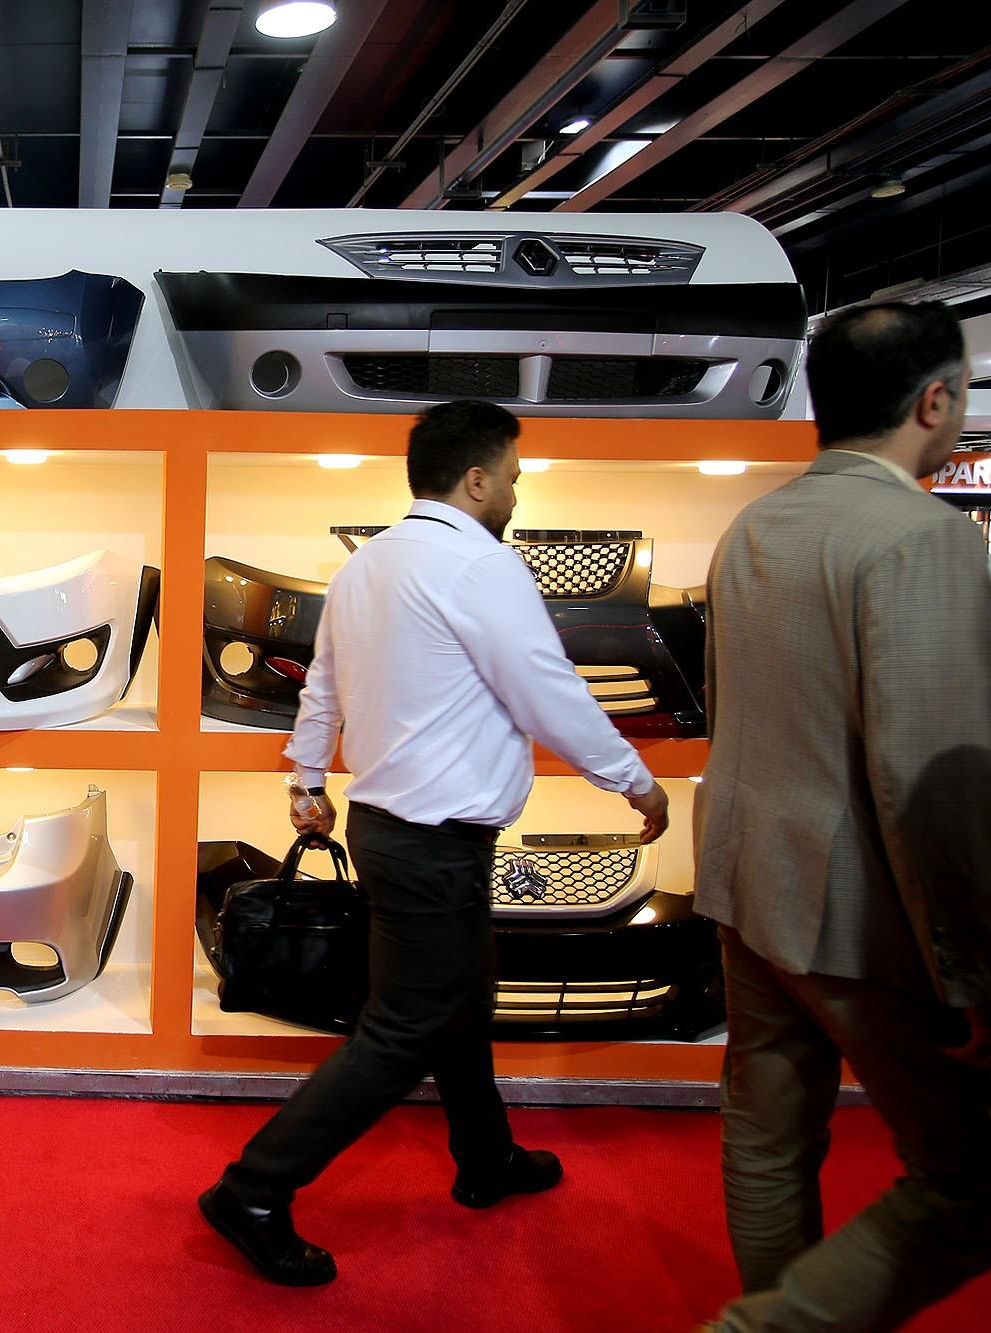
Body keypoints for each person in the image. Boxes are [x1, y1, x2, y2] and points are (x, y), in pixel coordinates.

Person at [199, 399, 669, 1286]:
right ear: (477, 479)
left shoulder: (366, 565)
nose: (518, 493)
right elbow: (548, 691)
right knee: (402, 1031)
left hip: (392, 831)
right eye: (514, 477)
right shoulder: (482, 566)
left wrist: (306, 784)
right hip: (433, 842)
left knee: (460, 998)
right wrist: (633, 780)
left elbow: (323, 688)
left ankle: (486, 1158)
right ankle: (253, 1190)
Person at [695, 302, 991, 1332]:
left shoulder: (755, 523)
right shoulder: (924, 538)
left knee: (767, 1134)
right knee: (970, 1179)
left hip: (748, 880)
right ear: (934, 401)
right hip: (859, 914)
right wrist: (973, 971)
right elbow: (930, 780)